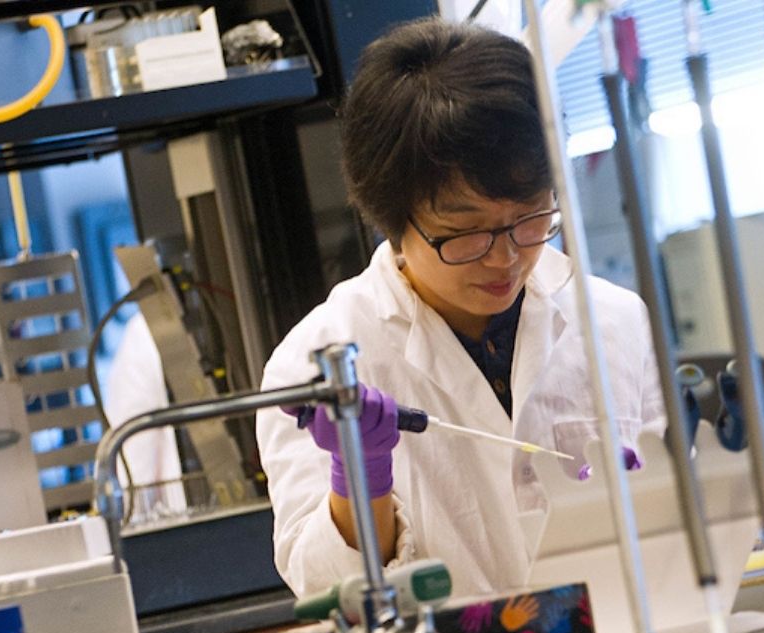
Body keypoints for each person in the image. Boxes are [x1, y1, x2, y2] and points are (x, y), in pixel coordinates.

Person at [256, 18, 663, 599]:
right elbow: (326, 593)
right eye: (465, 233)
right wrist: (360, 478)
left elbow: (684, 530)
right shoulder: (312, 365)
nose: (504, 257)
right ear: (391, 218)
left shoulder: (615, 322)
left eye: (530, 217)